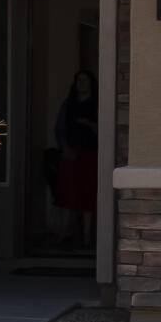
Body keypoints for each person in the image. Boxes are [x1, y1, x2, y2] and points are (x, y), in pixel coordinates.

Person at [53, 69, 98, 248]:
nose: (81, 83)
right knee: (66, 195)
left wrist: (90, 124)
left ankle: (87, 238)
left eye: (85, 80)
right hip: (70, 154)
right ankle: (63, 234)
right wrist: (64, 147)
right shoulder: (68, 105)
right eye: (79, 80)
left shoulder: (96, 105)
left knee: (88, 195)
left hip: (91, 154)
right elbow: (59, 128)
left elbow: (104, 128)